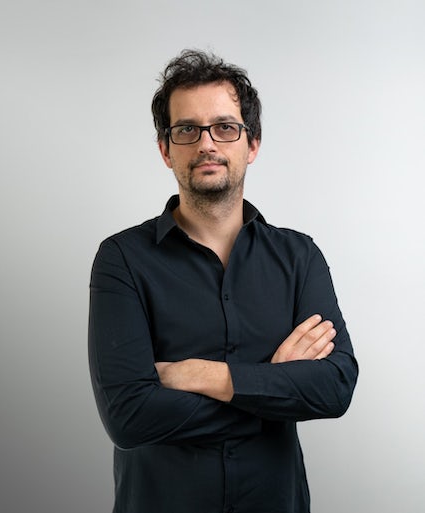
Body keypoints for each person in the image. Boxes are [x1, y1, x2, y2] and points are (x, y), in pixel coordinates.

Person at [88, 49, 358, 513]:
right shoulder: (123, 259)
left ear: (251, 145)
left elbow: (335, 386)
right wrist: (271, 386)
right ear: (165, 149)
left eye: (225, 127)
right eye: (187, 130)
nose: (206, 144)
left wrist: (203, 375)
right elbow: (128, 417)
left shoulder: (299, 257)